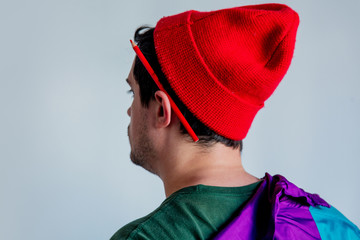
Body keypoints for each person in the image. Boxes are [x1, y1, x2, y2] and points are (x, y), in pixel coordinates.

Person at [111, 3, 360, 240]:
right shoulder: (328, 226)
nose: (129, 111)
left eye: (132, 93)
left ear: (162, 110)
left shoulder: (145, 236)